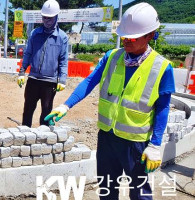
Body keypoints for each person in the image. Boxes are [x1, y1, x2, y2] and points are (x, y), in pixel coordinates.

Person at [44, 2, 175, 199]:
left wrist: (155, 145)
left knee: (139, 193)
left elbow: (163, 108)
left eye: (132, 36)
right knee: (106, 189)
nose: (126, 40)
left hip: (135, 144)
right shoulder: (112, 57)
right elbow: (89, 82)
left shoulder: (162, 67)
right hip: (107, 137)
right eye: (123, 35)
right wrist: (65, 105)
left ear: (150, 35)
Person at [17, 0, 68, 127]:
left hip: (49, 82)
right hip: (33, 78)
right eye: (45, 17)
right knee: (28, 109)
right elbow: (28, 53)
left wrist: (62, 79)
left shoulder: (62, 37)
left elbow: (63, 60)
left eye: (50, 18)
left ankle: (44, 139)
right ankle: (24, 135)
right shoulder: (35, 34)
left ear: (56, 16)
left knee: (46, 112)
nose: (47, 20)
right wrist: (22, 72)